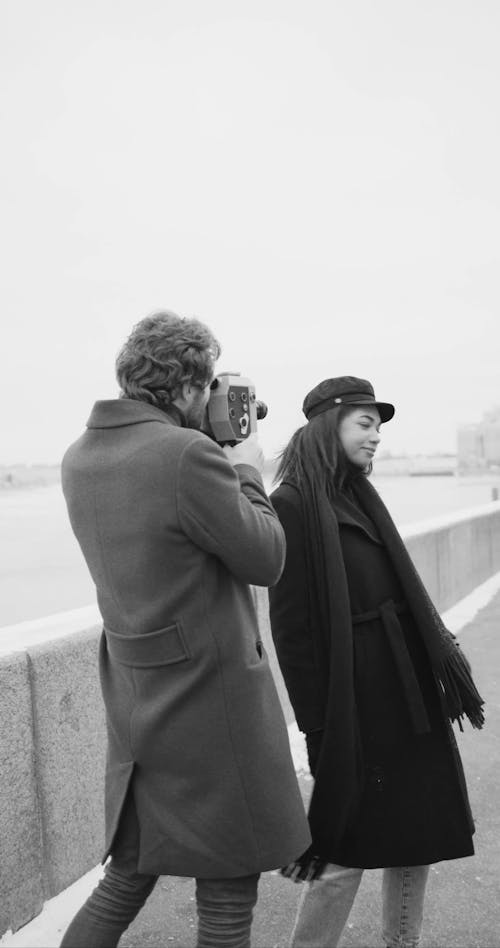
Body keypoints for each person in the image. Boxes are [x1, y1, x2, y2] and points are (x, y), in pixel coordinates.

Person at [60, 310, 311, 948]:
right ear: (190, 388)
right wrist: (247, 469)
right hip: (211, 704)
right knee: (227, 895)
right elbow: (266, 558)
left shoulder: (79, 456)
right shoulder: (186, 455)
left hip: (140, 701)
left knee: (124, 881)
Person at [268, 376, 485, 948]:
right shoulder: (291, 505)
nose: (376, 437)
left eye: (379, 427)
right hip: (357, 703)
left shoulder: (359, 497)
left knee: (419, 836)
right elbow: (291, 632)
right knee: (345, 848)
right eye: (364, 423)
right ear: (327, 426)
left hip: (406, 691)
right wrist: (318, 728)